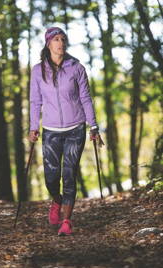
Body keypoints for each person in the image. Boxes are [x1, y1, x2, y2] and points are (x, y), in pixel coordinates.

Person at [28, 27, 104, 236]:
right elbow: (35, 101)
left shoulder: (76, 68)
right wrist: (34, 127)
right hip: (51, 131)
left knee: (69, 174)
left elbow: (86, 99)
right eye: (55, 39)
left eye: (63, 39)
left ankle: (67, 220)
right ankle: (56, 200)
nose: (60, 42)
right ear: (48, 44)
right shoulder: (38, 70)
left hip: (75, 129)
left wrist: (93, 126)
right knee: (51, 178)